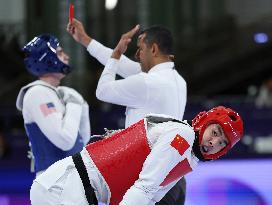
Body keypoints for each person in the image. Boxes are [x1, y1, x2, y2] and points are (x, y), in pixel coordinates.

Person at [67, 19, 187, 204]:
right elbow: (122, 65)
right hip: (175, 178)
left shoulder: (147, 83)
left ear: (153, 49)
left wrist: (116, 53)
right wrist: (84, 39)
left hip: (152, 181)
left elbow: (102, 90)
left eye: (140, 48)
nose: (137, 55)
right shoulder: (177, 80)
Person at [30, 106, 244, 205]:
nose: (214, 142)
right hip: (64, 188)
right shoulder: (183, 136)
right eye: (215, 132)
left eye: (222, 143)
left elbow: (150, 198)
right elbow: (145, 186)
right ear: (204, 123)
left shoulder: (189, 157)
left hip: (72, 189)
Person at [16, 34, 91, 175]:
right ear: (47, 58)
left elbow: (81, 142)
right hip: (52, 181)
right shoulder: (37, 93)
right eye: (60, 53)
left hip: (71, 176)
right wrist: (74, 105)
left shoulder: (59, 93)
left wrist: (81, 105)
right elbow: (65, 141)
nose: (67, 56)